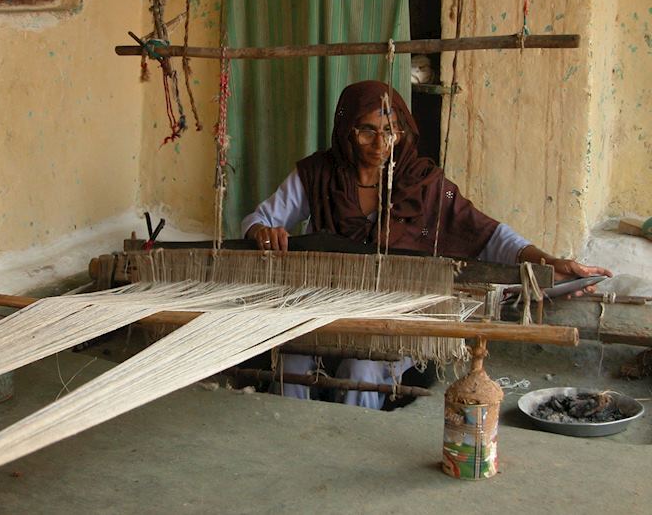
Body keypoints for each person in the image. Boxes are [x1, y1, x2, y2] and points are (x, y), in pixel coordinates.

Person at [241, 80, 611, 410]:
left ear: (401, 131)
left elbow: (487, 233)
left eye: (390, 130)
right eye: (366, 131)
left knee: (361, 368)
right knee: (291, 365)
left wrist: (545, 262)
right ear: (345, 131)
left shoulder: (423, 182)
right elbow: (259, 221)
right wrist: (261, 232)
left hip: (399, 318)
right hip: (329, 310)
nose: (380, 143)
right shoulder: (317, 174)